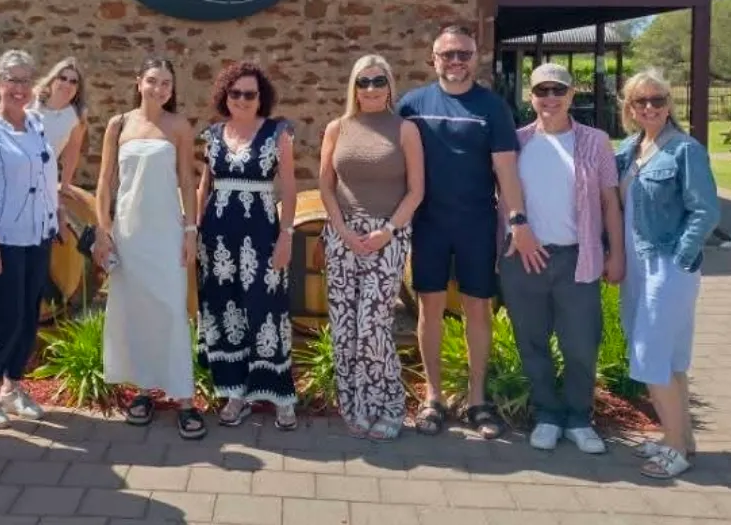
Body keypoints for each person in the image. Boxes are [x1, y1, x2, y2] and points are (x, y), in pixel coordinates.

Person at [397, 24, 538, 440]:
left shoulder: (491, 107)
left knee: (478, 309)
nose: (456, 61)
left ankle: (477, 400)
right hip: (428, 224)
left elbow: (506, 168)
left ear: (475, 58)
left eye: (464, 54)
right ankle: (433, 398)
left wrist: (517, 219)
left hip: (477, 222)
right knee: (430, 309)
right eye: (448, 54)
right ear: (433, 59)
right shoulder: (412, 104)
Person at [500, 63, 625, 454]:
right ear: (531, 97)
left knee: (580, 344)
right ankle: (548, 416)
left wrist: (616, 253)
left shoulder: (596, 141)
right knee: (532, 341)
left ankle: (578, 418)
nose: (550, 98)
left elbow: (609, 202)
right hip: (524, 259)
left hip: (578, 257)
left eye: (559, 90)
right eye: (542, 91)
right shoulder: (515, 142)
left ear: (572, 95)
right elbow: (500, 197)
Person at [93, 56, 206, 440]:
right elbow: (105, 182)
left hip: (166, 233)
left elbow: (188, 184)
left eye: (166, 84)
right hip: (128, 234)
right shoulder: (118, 124)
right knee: (136, 313)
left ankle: (185, 399)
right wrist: (102, 231)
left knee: (172, 312)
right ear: (138, 81)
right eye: (153, 81)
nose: (159, 89)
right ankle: (143, 392)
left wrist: (191, 231)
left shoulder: (179, 127)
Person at [616, 69, 719, 479]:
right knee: (672, 359)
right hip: (636, 267)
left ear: (669, 103)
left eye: (657, 100)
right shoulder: (629, 149)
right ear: (629, 107)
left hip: (666, 265)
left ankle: (674, 449)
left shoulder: (685, 151)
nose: (650, 107)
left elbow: (705, 210)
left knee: (649, 355)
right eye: (641, 101)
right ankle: (682, 439)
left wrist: (680, 258)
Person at [318, 55, 424, 440]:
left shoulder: (405, 130)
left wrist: (388, 231)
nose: (371, 89)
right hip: (343, 235)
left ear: (390, 85)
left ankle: (389, 405)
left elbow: (416, 191)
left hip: (387, 237)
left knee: (373, 325)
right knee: (345, 327)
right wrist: (341, 229)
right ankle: (355, 404)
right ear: (354, 86)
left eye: (378, 81)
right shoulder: (337, 127)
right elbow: (326, 185)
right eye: (363, 82)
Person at [195, 62, 298, 431]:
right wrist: (194, 231)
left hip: (262, 233)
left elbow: (288, 186)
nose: (242, 99)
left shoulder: (277, 133)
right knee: (227, 309)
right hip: (218, 236)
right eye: (235, 93)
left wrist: (287, 234)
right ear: (225, 95)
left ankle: (281, 395)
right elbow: (203, 187)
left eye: (249, 94)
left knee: (266, 309)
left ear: (261, 98)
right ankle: (235, 392)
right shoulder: (212, 134)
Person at [0, 50, 59, 428]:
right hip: (2, 237)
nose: (19, 88)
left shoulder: (37, 124)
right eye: (12, 80)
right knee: (3, 318)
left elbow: (44, 176)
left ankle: (12, 385)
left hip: (38, 234)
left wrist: (57, 216)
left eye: (25, 80)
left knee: (27, 316)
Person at [31, 56, 88, 190]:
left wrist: (65, 185)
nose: (67, 84)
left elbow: (72, 152)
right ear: (53, 79)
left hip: (42, 178)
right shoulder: (33, 99)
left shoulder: (76, 116)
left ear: (78, 88)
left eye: (73, 81)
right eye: (62, 78)